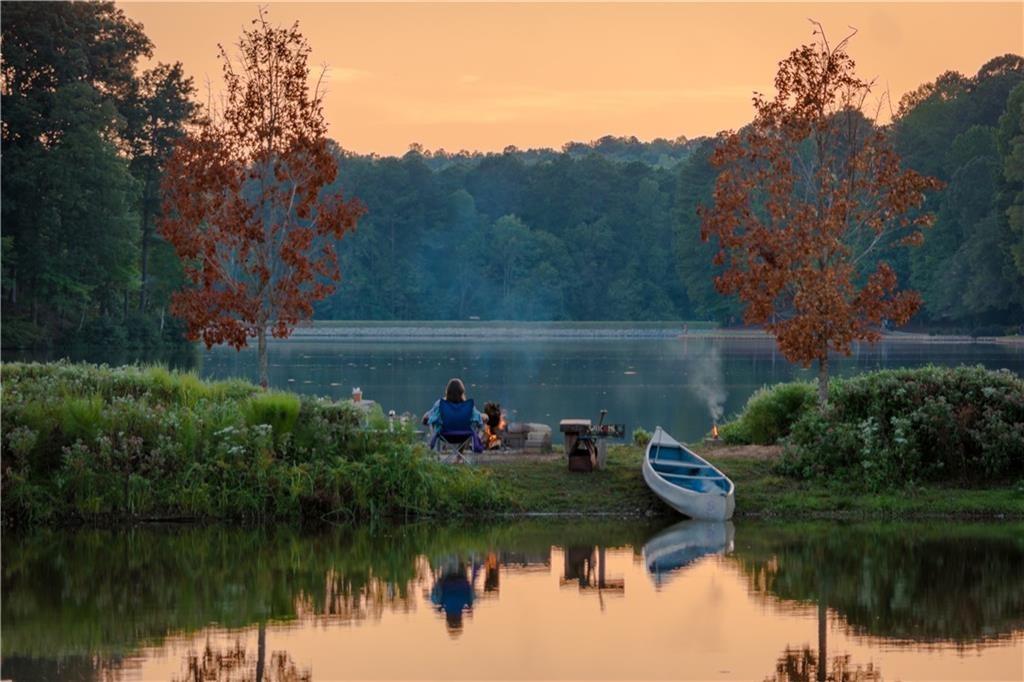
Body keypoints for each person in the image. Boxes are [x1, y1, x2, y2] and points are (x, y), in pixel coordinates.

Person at [421, 377, 487, 429]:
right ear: (462, 392)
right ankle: (469, 445)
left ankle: (444, 446)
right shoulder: (467, 406)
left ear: (447, 391)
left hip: (445, 436)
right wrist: (485, 416)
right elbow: (479, 418)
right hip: (465, 436)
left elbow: (425, 420)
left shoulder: (440, 404)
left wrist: (427, 415)